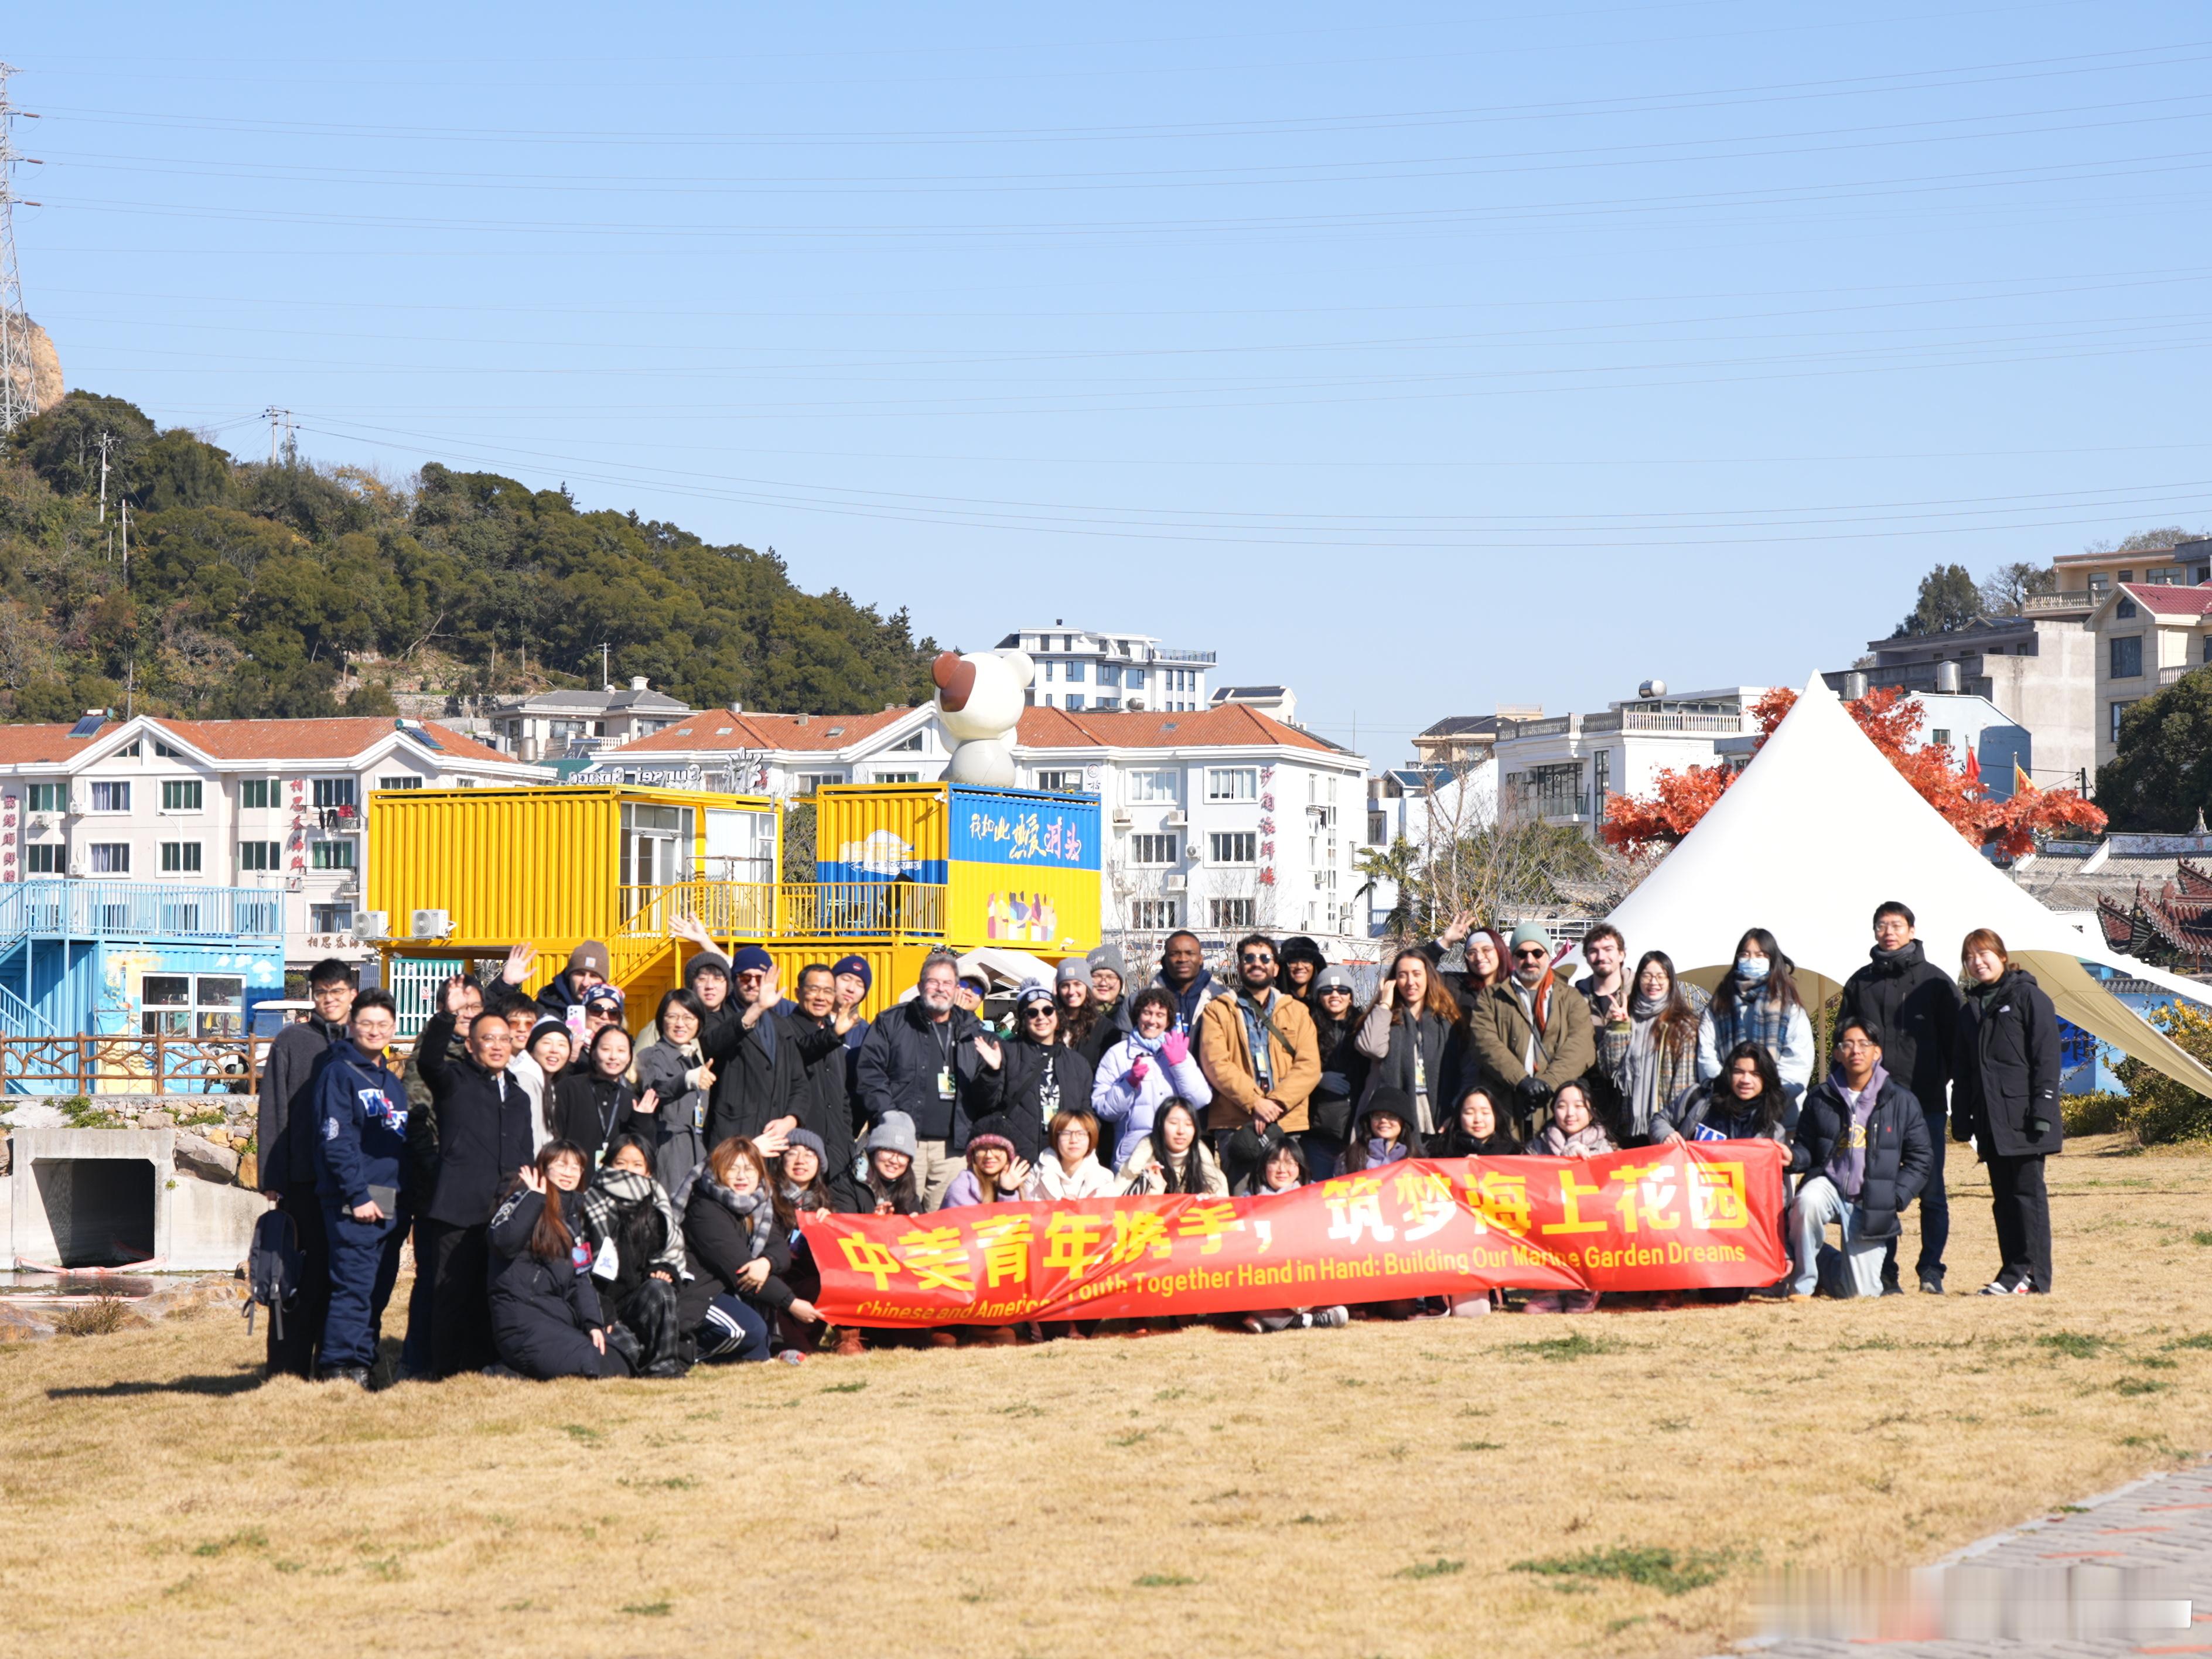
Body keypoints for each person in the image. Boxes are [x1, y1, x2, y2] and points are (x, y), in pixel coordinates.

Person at [413, 984, 538, 1378]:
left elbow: (525, 1151)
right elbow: (429, 1061)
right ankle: (443, 1371)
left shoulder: (518, 1095)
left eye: (504, 1039)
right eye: (488, 1039)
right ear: (471, 1045)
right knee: (450, 1294)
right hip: (458, 1209)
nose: (498, 1046)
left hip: (503, 1212)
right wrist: (447, 1016)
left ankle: (484, 1364)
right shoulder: (453, 1081)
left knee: (494, 1293)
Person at [1838, 902, 1961, 1296]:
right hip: (1875, 1104)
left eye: (1896, 925)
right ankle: (1886, 1271)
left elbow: (1957, 1042)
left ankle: (1931, 1270)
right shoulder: (1860, 984)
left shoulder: (1936, 983)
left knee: (1932, 1189)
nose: (1889, 932)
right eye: (1881, 926)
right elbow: (1845, 1043)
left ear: (1911, 930)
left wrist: (1938, 1079)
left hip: (1925, 1101)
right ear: (1874, 932)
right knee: (1880, 1186)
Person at [256, 957, 356, 1379]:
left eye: (337, 992)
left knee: (345, 1280)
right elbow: (273, 1110)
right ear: (312, 996)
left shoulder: (364, 1036)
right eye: (321, 993)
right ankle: (286, 1371)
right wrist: (272, 1180)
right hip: (302, 1181)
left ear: (352, 992)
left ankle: (336, 1367)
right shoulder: (291, 1041)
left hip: (351, 1184)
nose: (329, 1000)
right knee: (296, 1282)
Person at [1786, 1015, 1933, 1301]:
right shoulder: (1820, 1097)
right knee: (1806, 1202)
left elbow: (1921, 1158)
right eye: (1848, 1044)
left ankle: (1824, 1262)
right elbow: (1805, 1148)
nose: (1856, 1051)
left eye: (1864, 1044)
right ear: (1838, 1053)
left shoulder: (1901, 1100)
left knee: (1859, 1294)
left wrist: (1896, 1197)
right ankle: (1802, 1285)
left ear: (1877, 1052)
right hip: (1828, 1184)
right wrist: (1790, 1156)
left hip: (1872, 1196)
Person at [1952, 929, 2062, 1296]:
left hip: (2026, 1118)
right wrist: (1962, 1116)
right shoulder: (1971, 1009)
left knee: (2028, 1196)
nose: (1977, 962)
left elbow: (2046, 1059)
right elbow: (1965, 1068)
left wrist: (2042, 1110)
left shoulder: (2028, 997)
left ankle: (2035, 1276)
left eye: (1984, 954)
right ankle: (2012, 1272)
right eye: (1970, 957)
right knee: (2004, 1200)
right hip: (1990, 1121)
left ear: (2001, 956)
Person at [309, 988, 408, 1387]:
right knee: (353, 1286)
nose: (374, 1030)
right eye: (366, 1023)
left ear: (394, 1028)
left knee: (377, 1288)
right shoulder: (339, 1072)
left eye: (383, 1024)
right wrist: (358, 1195)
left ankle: (363, 1362)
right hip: (357, 1198)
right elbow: (337, 1141)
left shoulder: (391, 1081)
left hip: (391, 1199)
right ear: (351, 1027)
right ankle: (339, 1368)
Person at [487, 1141, 634, 1380]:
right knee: (593, 1364)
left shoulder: (576, 1218)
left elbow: (581, 1279)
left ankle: (520, 1370)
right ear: (544, 1167)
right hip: (521, 1318)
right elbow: (503, 1243)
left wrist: (592, 1324)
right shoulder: (522, 1196)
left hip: (558, 1319)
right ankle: (503, 1370)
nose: (569, 1173)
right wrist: (536, 1198)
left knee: (618, 1361)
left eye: (576, 1167)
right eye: (561, 1165)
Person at [855, 951, 991, 1209]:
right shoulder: (892, 1021)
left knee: (946, 1226)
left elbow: (988, 1089)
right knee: (899, 1219)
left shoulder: (973, 1030)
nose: (940, 989)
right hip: (902, 1145)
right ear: (920, 986)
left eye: (948, 983)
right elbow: (870, 1073)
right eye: (933, 982)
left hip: (953, 1150)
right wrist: (890, 1119)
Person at [1196, 934, 1320, 1191]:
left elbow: (1309, 1066)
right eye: (1249, 958)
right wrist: (1255, 1103)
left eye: (1265, 958)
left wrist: (1274, 1103)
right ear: (1239, 966)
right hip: (1236, 1123)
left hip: (1286, 1121)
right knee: (1243, 1204)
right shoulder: (1217, 1010)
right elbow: (1216, 1063)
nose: (1257, 963)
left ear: (1275, 967)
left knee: (1287, 1201)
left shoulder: (1297, 1011)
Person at [679, 1136, 817, 1364]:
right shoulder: (704, 1209)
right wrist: (792, 1303)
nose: (742, 1176)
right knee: (747, 1330)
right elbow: (740, 1269)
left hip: (727, 1291)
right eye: (733, 1169)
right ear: (719, 1171)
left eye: (750, 1169)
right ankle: (683, 1352)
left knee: (757, 1344)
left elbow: (779, 1250)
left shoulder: (760, 1203)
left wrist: (766, 1263)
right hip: (698, 1293)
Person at [574, 1134, 690, 1377]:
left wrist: (663, 1269)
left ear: (648, 1170)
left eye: (637, 1165)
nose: (629, 1170)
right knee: (623, 1354)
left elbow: (669, 1253)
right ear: (608, 1165)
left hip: (638, 1300)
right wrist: (601, 1312)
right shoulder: (588, 1202)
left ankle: (665, 1369)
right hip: (602, 1303)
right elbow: (580, 1266)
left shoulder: (657, 1201)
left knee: (662, 1290)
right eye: (621, 1163)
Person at [1465, 923, 1596, 1136]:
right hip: (1506, 1106)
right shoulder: (1492, 997)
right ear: (1513, 958)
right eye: (1522, 954)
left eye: (1537, 953)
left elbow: (1581, 1047)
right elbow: (1484, 1044)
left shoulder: (1570, 997)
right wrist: (1522, 1081)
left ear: (1547, 954)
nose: (1530, 960)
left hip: (1557, 1109)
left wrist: (1548, 1083)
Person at [972, 983, 1095, 1164]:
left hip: (1064, 1160)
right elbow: (985, 1104)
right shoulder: (1007, 1053)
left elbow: (1087, 1114)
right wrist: (992, 1071)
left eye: (1048, 1011)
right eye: (1032, 1013)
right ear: (1023, 1019)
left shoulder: (1078, 1063)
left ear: (1057, 1015)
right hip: (1017, 1161)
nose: (1041, 1017)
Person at [1091, 986, 1212, 1170]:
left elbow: (1201, 1100)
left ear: (1169, 1020)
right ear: (1137, 1016)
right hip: (1132, 1159)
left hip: (1177, 1157)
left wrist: (1180, 1065)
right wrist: (1129, 1083)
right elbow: (1105, 1110)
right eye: (1147, 1013)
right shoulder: (1117, 1054)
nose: (1152, 1021)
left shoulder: (1179, 1052)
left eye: (1160, 1015)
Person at [1237, 1141, 1350, 1333]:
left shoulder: (1317, 1195)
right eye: (1274, 1162)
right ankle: (1303, 1321)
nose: (1282, 1169)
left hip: (1306, 1274)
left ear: (1300, 1166)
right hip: (1265, 1276)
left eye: (1290, 1162)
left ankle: (1273, 1321)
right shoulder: (1247, 1201)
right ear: (1264, 1166)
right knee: (1241, 1289)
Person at [780, 964, 866, 1210]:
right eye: (814, 989)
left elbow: (842, 1097)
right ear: (798, 992)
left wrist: (847, 1138)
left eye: (828, 991)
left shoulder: (834, 1033)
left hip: (838, 1151)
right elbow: (799, 1054)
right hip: (802, 1150)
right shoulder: (784, 1029)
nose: (821, 997)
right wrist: (834, 1034)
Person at [1354, 949, 1463, 1142]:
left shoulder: (1447, 1021)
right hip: (1394, 1118)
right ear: (1394, 981)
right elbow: (1371, 1048)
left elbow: (1460, 1072)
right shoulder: (1386, 1017)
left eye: (1416, 974)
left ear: (1429, 977)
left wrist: (1455, 1111)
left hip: (1438, 1117)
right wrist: (1385, 1005)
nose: (1410, 982)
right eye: (1402, 975)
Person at [1598, 950, 1705, 1146]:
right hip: (1626, 1126)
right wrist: (1619, 1028)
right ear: (1639, 979)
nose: (1653, 982)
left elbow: (1684, 1085)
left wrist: (1668, 1126)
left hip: (1667, 1132)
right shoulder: (1626, 1017)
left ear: (1670, 981)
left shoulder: (1684, 1026)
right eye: (1647, 975)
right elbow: (1608, 1069)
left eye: (1660, 976)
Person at [1523, 1080, 1613, 1315]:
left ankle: (1586, 1288)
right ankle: (1546, 1290)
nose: (1570, 1113)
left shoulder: (1607, 1148)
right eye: (1562, 1106)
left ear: (1591, 1110)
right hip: (1549, 1220)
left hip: (1589, 1224)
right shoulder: (1536, 1146)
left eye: (1579, 1106)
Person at [1698, 928, 1814, 1100]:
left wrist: (1768, 1098)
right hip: (1726, 1106)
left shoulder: (1789, 1007)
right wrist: (1729, 1089)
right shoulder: (1719, 1004)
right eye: (1745, 955)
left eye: (1760, 956)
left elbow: (1798, 1063)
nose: (1752, 960)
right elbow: (1706, 1054)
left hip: (1781, 1112)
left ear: (1772, 960)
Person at [626, 988, 716, 1196]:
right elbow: (655, 1088)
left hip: (697, 1149)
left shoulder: (694, 1059)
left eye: (688, 1017)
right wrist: (687, 1080)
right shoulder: (651, 1056)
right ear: (661, 1020)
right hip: (667, 1149)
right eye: (672, 1016)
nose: (680, 1024)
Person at [1662, 1041, 1796, 1146]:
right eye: (1739, 1072)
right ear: (1728, 1073)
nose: (1746, 1080)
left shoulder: (1773, 1132)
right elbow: (1660, 1121)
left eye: (1755, 1074)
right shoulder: (1698, 1098)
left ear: (1767, 1079)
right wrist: (1665, 1135)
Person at [1303, 965, 1366, 1179]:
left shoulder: (1364, 1025)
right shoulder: (1306, 1025)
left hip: (1356, 1128)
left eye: (1342, 990)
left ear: (1351, 997)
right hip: (1317, 1130)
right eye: (1327, 990)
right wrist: (1317, 1078)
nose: (1335, 995)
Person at [551, 1022, 637, 1165]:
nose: (613, 1057)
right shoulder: (568, 1089)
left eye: (621, 1051)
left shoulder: (632, 1100)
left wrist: (644, 1119)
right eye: (606, 1049)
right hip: (571, 1176)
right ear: (593, 1053)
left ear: (629, 1057)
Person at [1575, 923, 1633, 1129]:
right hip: (1589, 1100)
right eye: (1593, 951)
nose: (1601, 957)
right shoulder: (1574, 998)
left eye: (1608, 950)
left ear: (1621, 954)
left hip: (1632, 1099)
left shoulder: (1642, 993)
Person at [1118, 1098, 1228, 1195]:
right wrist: (1151, 1195)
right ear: (1160, 1125)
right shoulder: (1137, 1165)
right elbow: (1117, 1207)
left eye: (1188, 1124)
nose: (1181, 1131)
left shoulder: (1211, 1174)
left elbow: (1225, 1213)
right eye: (1174, 1123)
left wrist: (1210, 1203)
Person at [1420, 910, 1510, 1015]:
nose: (1479, 957)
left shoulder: (1517, 986)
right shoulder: (1456, 985)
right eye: (1472, 953)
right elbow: (1414, 971)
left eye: (1486, 950)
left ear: (1500, 951)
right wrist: (1445, 942)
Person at [1028, 1111, 1120, 1200]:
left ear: (1091, 1138)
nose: (1074, 1140)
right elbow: (1027, 1212)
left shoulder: (1104, 1179)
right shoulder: (1036, 1176)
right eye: (1066, 1133)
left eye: (1081, 1134)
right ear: (1056, 1138)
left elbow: (1112, 1214)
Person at [940, 1129, 1032, 1210]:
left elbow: (1021, 1223)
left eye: (997, 1148)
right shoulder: (961, 1187)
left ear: (1008, 1154)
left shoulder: (1019, 1183)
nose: (989, 1155)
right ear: (973, 1154)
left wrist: (1009, 1191)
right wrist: (1007, 1193)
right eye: (982, 1149)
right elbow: (968, 1227)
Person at [1155, 930, 1226, 1033]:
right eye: (1175, 954)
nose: (1183, 959)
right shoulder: (1143, 1000)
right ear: (1164, 960)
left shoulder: (1222, 999)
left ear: (1201, 959)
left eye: (1190, 953)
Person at [514, 1020, 572, 1148]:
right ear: (531, 1048)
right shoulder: (525, 1081)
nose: (554, 1050)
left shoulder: (548, 1083)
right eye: (546, 1043)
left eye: (562, 1045)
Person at [861, 1112, 929, 1215]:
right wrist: (873, 1222)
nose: (894, 1160)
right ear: (874, 1151)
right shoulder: (848, 1184)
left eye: (902, 1154)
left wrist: (914, 1225)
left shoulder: (908, 1191)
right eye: (888, 1151)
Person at [1339, 1086, 1418, 1172]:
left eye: (1392, 1116)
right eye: (1377, 1115)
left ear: (1403, 1122)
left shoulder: (1417, 1161)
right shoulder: (1350, 1157)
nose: (1383, 1120)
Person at [532, 940, 611, 1022]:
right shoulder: (544, 1008)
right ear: (569, 975)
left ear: (603, 982)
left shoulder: (611, 1014)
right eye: (580, 974)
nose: (585, 983)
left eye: (593, 976)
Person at [1432, 1086, 1518, 1157]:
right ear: (1459, 1117)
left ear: (1496, 1116)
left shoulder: (1514, 1153)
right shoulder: (1441, 1152)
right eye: (1469, 1113)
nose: (1478, 1120)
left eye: (1485, 1113)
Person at [1053, 958, 1107, 1064]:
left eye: (1077, 984)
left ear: (1087, 988)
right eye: (1065, 986)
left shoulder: (1104, 1029)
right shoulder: (1050, 1024)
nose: (1071, 992)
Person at [1087, 944, 1133, 1037]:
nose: (1104, 983)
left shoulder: (1134, 1016)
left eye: (1111, 977)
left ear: (1121, 981)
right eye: (1097, 976)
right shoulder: (1074, 1015)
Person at [1278, 936, 1326, 1005]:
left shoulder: (1325, 1002)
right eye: (1293, 961)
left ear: (1315, 965)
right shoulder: (1274, 1001)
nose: (1300, 967)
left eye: (1306, 961)